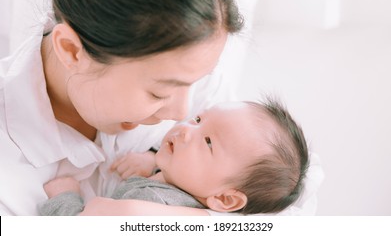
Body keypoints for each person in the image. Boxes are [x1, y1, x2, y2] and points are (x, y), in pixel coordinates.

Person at [0, 0, 243, 215]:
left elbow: (268, 201)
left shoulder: (205, 98)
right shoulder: (9, 172)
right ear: (71, 51)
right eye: (158, 92)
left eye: (196, 82)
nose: (181, 113)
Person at [38, 99, 309, 216]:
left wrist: (64, 199)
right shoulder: (190, 193)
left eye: (208, 142)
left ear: (226, 199)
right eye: (198, 119)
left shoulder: (152, 203)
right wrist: (154, 160)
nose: (185, 130)